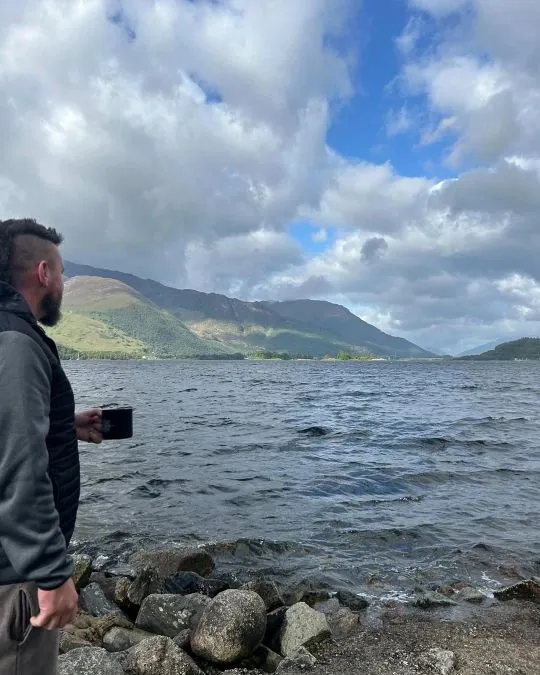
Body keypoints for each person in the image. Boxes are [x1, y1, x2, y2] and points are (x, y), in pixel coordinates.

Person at [0, 218, 102, 674]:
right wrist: (51, 572)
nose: (62, 283)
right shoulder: (16, 341)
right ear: (43, 273)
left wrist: (61, 424)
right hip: (13, 575)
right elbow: (18, 466)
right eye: (60, 273)